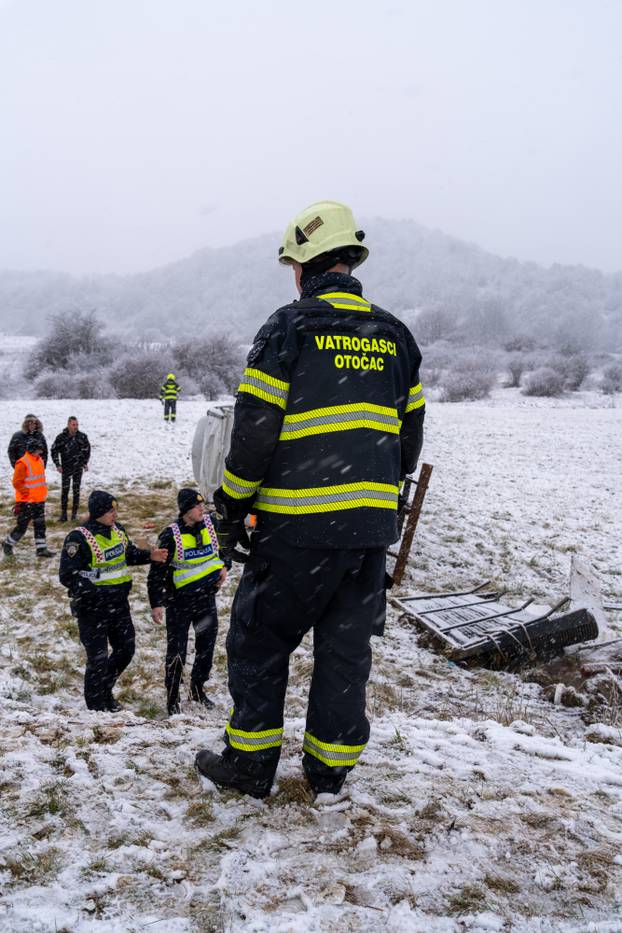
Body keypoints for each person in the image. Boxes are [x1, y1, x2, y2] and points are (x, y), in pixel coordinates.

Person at [195, 200, 426, 798]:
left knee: (259, 642)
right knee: (345, 654)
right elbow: (409, 437)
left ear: (302, 265)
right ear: (351, 260)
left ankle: (250, 767)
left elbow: (254, 431)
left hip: (296, 531)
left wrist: (232, 504)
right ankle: (329, 775)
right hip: (368, 533)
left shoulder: (289, 327)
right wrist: (379, 504)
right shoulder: (396, 336)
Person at [59, 490, 168, 712]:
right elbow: (68, 575)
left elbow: (128, 555)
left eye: (115, 510)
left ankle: (104, 690)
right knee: (97, 660)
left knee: (126, 650)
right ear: (98, 512)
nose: (115, 515)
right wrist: (93, 591)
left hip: (119, 606)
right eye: (111, 511)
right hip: (92, 610)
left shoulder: (118, 531)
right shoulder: (78, 538)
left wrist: (150, 556)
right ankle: (96, 707)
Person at [148, 488, 229, 716]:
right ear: (185, 511)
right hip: (179, 603)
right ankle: (172, 698)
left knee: (206, 648)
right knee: (177, 652)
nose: (202, 509)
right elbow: (156, 573)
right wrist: (156, 603)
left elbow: (225, 550)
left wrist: (225, 567)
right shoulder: (170, 535)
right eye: (197, 506)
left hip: (206, 600)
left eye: (202, 505)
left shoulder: (211, 526)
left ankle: (197, 688)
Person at [3, 436, 53, 559]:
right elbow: (16, 482)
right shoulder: (22, 462)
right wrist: (27, 493)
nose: (41, 452)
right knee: (22, 527)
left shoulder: (39, 460)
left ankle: (41, 549)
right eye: (39, 450)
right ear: (32, 450)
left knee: (40, 525)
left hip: (39, 500)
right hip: (26, 501)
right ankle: (7, 544)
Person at [51, 416, 91, 522]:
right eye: (73, 425)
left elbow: (87, 450)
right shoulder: (61, 437)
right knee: (65, 491)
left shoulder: (82, 437)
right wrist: (57, 464)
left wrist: (85, 462)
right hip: (66, 468)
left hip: (78, 467)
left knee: (76, 491)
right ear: (68, 425)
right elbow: (54, 450)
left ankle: (74, 514)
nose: (76, 427)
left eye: (77, 425)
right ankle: (63, 514)